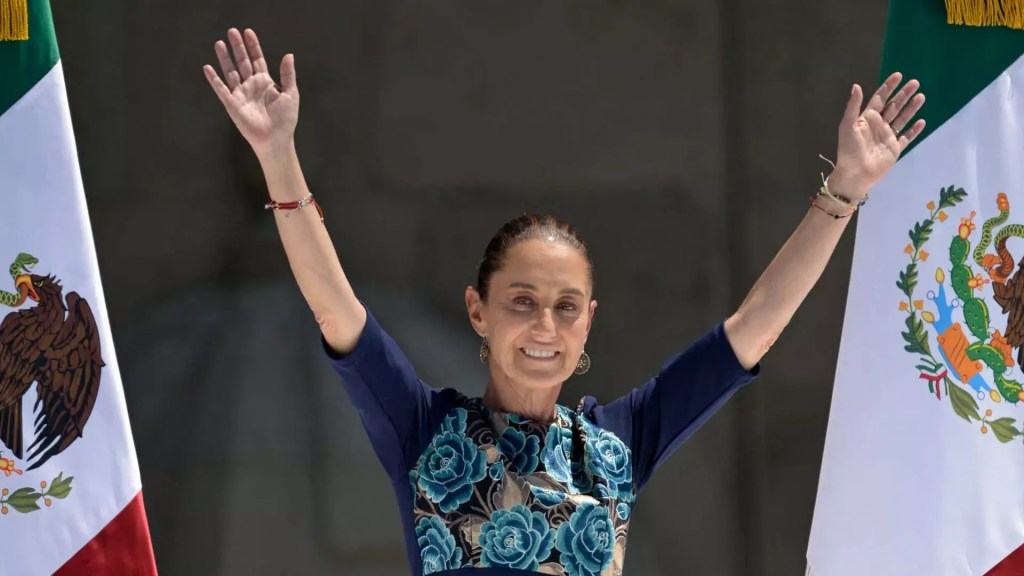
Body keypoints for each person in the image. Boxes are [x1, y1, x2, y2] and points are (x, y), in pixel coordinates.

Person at [203, 27, 925, 576]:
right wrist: (278, 156)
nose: (545, 326)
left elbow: (754, 327)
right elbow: (336, 307)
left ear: (589, 322)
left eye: (566, 306)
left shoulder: (618, 445)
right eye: (522, 300)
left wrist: (846, 193)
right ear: (477, 311)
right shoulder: (422, 432)